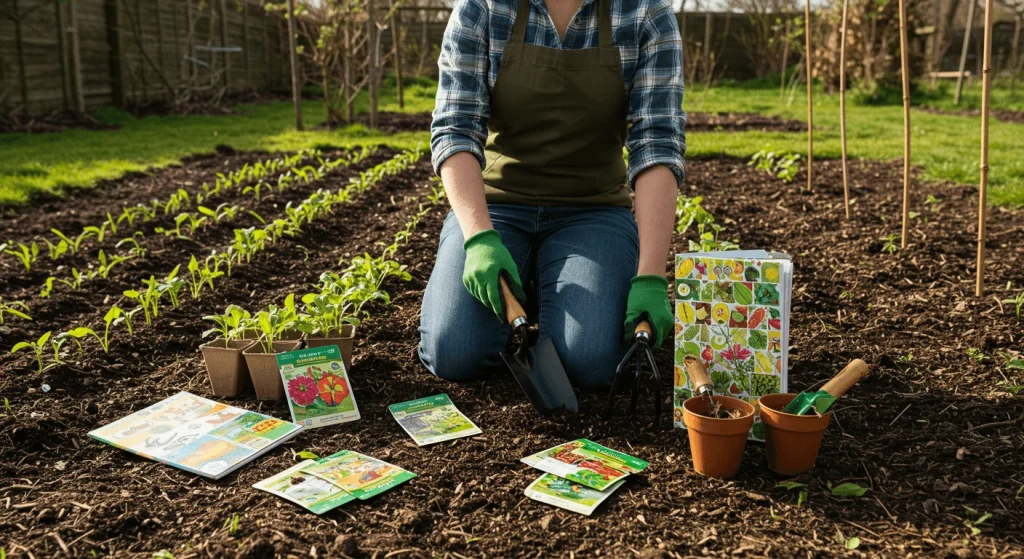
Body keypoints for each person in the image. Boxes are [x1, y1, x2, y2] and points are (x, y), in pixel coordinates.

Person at [418, 0, 686, 391]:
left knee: (591, 361)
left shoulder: (644, 13)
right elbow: (455, 130)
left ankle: (554, 283)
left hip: (591, 211)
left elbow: (657, 144)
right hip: (497, 208)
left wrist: (650, 276)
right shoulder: (484, 8)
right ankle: (528, 274)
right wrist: (478, 237)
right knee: (454, 351)